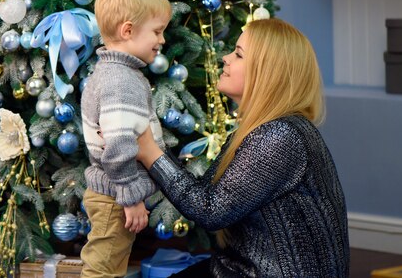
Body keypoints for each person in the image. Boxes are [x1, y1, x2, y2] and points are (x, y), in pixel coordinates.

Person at [136, 18, 350, 277]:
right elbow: (205, 191)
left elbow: (209, 210)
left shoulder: (280, 135)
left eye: (238, 54)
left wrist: (151, 153)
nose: (225, 58)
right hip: (239, 266)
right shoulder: (266, 129)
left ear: (267, 72)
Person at [79, 0, 172, 278]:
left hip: (113, 192)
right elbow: (118, 146)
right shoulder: (121, 81)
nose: (162, 40)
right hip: (114, 196)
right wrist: (130, 196)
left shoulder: (113, 73)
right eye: (157, 31)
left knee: (111, 267)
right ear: (128, 30)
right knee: (102, 270)